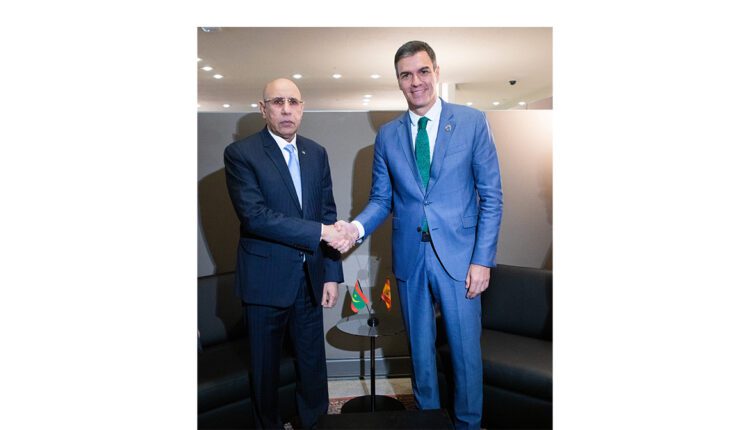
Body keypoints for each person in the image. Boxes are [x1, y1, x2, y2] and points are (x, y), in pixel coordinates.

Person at [334, 41, 503, 429]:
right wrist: (355, 228)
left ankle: (468, 425)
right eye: (406, 75)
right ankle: (429, 422)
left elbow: (492, 197)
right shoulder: (388, 136)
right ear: (398, 81)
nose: (416, 82)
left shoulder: (472, 122)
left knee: (465, 355)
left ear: (436, 72)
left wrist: (482, 260)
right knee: (421, 355)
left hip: (460, 260)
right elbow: (382, 199)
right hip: (410, 258)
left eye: (423, 71)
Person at [224, 78, 348, 429]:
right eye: (278, 102)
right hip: (265, 282)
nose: (286, 109)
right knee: (265, 373)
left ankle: (315, 424)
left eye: (293, 102)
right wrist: (321, 232)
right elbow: (256, 217)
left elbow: (327, 212)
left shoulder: (316, 153)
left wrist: (331, 274)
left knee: (313, 367)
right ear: (263, 109)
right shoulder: (241, 154)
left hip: (309, 280)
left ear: (302, 108)